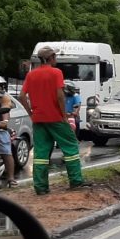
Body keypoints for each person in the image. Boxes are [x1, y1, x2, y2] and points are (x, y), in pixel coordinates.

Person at [18, 46, 87, 195]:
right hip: (56, 118)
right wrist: (63, 115)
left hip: (38, 119)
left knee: (41, 153)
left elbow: (22, 96)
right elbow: (60, 95)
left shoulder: (31, 75)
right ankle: (76, 181)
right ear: (51, 58)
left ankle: (41, 187)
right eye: (55, 57)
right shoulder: (56, 73)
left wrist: (31, 113)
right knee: (71, 147)